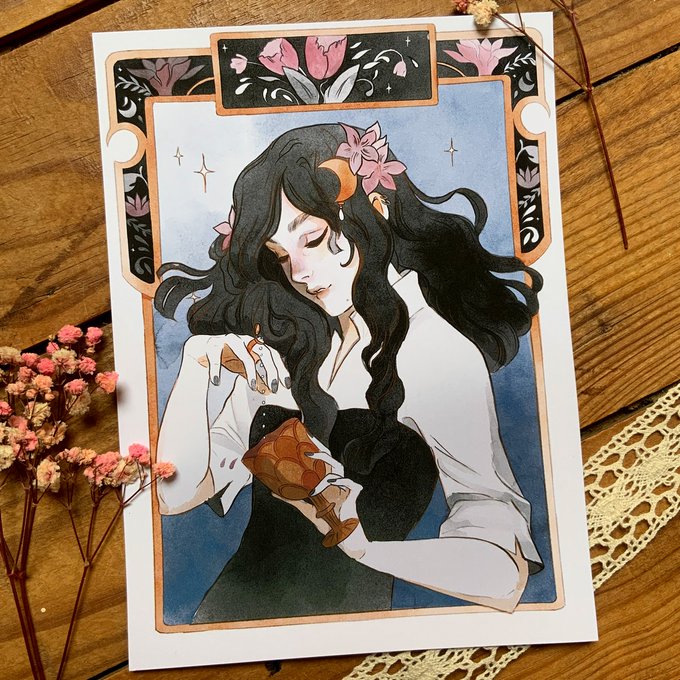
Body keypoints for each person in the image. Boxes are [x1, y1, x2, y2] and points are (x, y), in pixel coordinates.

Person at [154, 122, 543, 623]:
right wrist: (197, 365)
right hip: (224, 621)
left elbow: (504, 571)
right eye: (280, 255)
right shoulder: (286, 342)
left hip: (347, 631)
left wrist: (366, 550)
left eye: (312, 238)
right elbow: (174, 494)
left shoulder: (436, 351)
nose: (299, 273)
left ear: (374, 210)